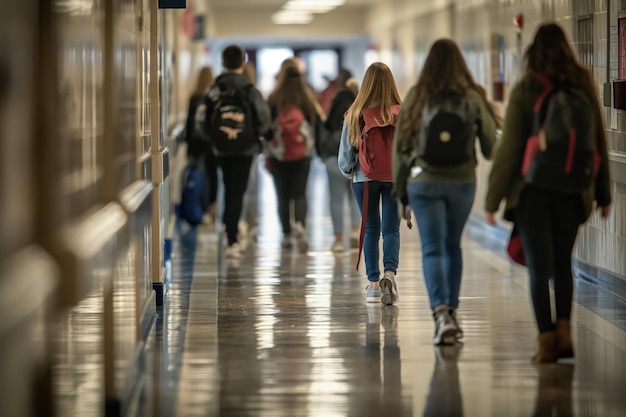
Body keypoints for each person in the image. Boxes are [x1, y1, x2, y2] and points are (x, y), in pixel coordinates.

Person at [484, 23, 612, 362]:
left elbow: (509, 146)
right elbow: (597, 139)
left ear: (533, 54)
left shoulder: (528, 87)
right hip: (574, 191)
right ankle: (565, 332)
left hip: (533, 192)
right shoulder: (581, 83)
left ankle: (545, 341)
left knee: (539, 268)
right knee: (562, 265)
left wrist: (492, 199)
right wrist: (604, 194)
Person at [392, 38, 500, 345]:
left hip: (423, 183)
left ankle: (440, 314)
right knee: (453, 246)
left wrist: (402, 194)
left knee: (432, 248)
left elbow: (401, 149)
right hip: (462, 182)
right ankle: (452, 312)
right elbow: (492, 148)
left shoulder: (417, 95)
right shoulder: (472, 96)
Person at [338, 62, 403, 305]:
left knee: (371, 228)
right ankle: (390, 274)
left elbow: (345, 159)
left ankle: (374, 285)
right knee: (391, 228)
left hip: (364, 179)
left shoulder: (355, 113)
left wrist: (352, 173)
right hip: (395, 176)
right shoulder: (402, 112)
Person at [201, 45, 271, 258]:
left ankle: (227, 227)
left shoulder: (214, 89)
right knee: (237, 191)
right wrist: (254, 135)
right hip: (245, 149)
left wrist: (213, 138)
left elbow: (202, 120)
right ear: (242, 63)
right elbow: (264, 121)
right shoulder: (251, 91)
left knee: (225, 185)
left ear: (223, 63)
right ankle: (231, 237)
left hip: (220, 148)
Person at [264, 62, 325, 252]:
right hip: (302, 154)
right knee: (300, 193)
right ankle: (299, 225)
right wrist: (319, 150)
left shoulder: (274, 99)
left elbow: (266, 128)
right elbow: (317, 125)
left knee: (282, 195)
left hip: (278, 154)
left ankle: (286, 234)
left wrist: (267, 146)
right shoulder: (306, 100)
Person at [320, 70, 361, 252]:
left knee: (335, 199)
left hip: (333, 159)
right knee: (355, 198)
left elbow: (324, 131)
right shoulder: (360, 108)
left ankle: (337, 239)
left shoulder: (335, 107)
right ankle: (354, 232)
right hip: (357, 162)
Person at [184, 66, 218, 223]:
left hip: (196, 146)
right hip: (211, 145)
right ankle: (212, 209)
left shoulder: (194, 97)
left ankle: (198, 207)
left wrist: (188, 148)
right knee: (211, 177)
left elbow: (190, 125)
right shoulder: (215, 98)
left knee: (196, 176)